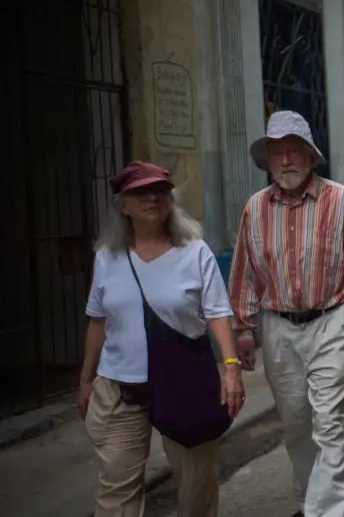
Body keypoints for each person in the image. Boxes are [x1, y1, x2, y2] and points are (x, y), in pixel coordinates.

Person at [228, 110, 344, 517]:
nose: (286, 160)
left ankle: (324, 511)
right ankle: (308, 499)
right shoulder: (254, 209)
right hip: (278, 329)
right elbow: (245, 272)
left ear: (311, 156)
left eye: (294, 151)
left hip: (332, 321)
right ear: (267, 161)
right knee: (296, 423)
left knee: (329, 421)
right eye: (277, 152)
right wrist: (243, 329)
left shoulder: (341, 201)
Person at [80, 161, 244, 517]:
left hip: (183, 382)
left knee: (197, 484)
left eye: (159, 190)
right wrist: (86, 380)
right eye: (140, 192)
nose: (152, 198)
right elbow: (97, 321)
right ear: (123, 205)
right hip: (120, 387)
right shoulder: (107, 257)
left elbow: (217, 313)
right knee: (116, 489)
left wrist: (231, 369)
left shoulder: (195, 252)